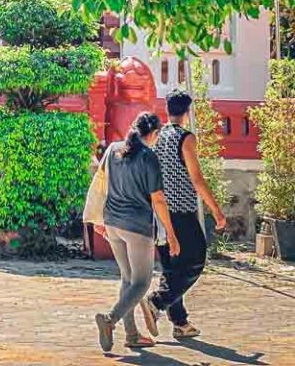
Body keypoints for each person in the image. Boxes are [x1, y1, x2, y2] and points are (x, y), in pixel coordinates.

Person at [143, 87, 226, 341]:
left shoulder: (159, 136)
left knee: (172, 268)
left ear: (168, 111)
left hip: (161, 211)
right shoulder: (185, 137)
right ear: (187, 112)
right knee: (196, 259)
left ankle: (180, 323)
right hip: (182, 211)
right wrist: (217, 211)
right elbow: (197, 179)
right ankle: (157, 301)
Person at [94, 112, 181, 353]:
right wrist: (172, 236)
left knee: (128, 279)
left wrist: (97, 218)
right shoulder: (148, 156)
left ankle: (132, 335)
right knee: (141, 283)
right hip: (136, 227)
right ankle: (110, 320)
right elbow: (159, 200)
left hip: (112, 222)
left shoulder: (113, 149)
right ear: (154, 134)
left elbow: (100, 184)